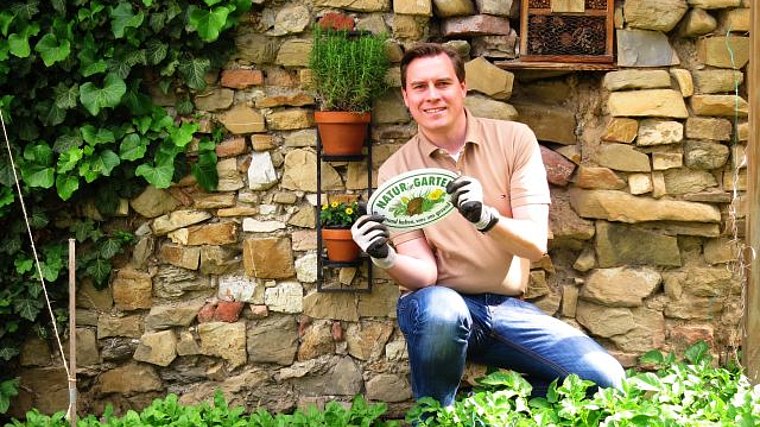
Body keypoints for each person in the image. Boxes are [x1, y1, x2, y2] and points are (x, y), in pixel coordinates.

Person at [350, 43, 625, 407]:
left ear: (463, 87)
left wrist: (486, 218)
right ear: (405, 96)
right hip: (437, 307)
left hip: (505, 309)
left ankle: (484, 413)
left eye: (442, 83)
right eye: (420, 87)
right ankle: (435, 415)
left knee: (608, 380)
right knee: (443, 309)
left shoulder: (514, 139)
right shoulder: (396, 171)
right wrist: (384, 257)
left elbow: (533, 244)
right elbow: (425, 274)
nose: (432, 96)